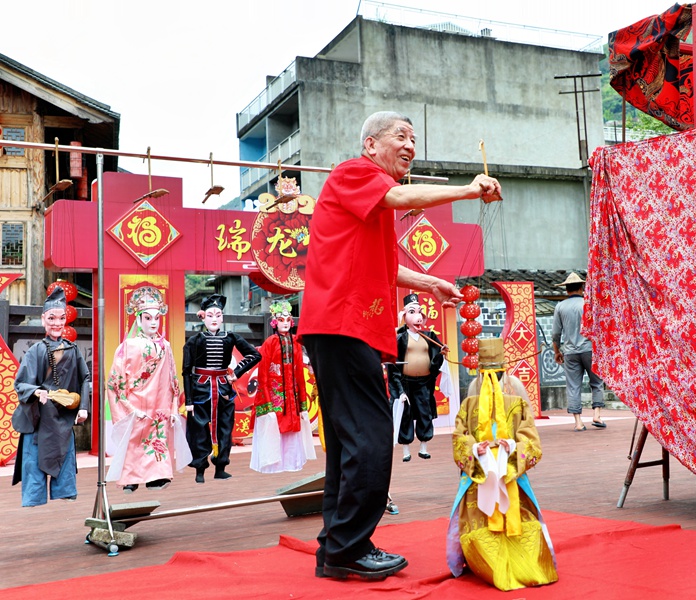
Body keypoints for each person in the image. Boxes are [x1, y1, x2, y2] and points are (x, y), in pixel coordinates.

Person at [298, 110, 501, 581]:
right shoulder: (356, 174)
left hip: (343, 328)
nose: (410, 145)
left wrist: (428, 282)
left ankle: (336, 548)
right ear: (371, 144)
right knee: (370, 438)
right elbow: (401, 195)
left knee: (350, 441)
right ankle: (349, 546)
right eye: (401, 136)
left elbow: (378, 267)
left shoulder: (370, 203)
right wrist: (468, 190)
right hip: (344, 326)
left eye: (414, 138)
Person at [447, 337, 558, 591]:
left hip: (509, 475)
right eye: (488, 375)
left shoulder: (515, 403)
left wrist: (512, 448)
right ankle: (489, 563)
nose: (492, 381)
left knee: (518, 520)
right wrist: (476, 449)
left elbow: (531, 442)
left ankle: (520, 564)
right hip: (480, 477)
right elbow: (460, 440)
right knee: (479, 522)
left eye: (494, 375)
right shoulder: (469, 405)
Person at [12, 287, 91, 507]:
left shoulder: (72, 350)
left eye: (61, 318)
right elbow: (21, 383)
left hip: (63, 416)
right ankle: (34, 496)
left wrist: (83, 407)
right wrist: (37, 391)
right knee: (34, 459)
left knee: (63, 456)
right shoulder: (36, 350)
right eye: (52, 318)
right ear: (43, 320)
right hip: (39, 417)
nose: (57, 323)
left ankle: (65, 490)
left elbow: (85, 378)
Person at [106, 286, 187, 492]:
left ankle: (157, 477)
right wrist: (127, 407)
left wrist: (174, 407)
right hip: (135, 403)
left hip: (160, 402)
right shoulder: (128, 346)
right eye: (148, 318)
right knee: (134, 440)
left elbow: (172, 379)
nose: (153, 323)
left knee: (159, 438)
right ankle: (131, 479)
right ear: (139, 319)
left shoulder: (165, 346)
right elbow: (115, 382)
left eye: (156, 318)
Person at [183, 294, 261, 483]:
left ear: (223, 318)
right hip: (201, 390)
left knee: (225, 429)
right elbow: (186, 371)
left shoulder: (231, 337)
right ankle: (199, 469)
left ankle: (221, 466)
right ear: (203, 317)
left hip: (224, 390)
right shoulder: (194, 341)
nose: (214, 319)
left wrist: (236, 372)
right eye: (210, 315)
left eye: (218, 315)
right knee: (199, 430)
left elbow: (254, 355)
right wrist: (189, 401)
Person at [250, 300, 315, 473]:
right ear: (274, 322)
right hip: (274, 391)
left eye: (287, 319)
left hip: (291, 392)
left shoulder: (296, 342)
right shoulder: (269, 343)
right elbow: (262, 372)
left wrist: (302, 401)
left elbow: (300, 373)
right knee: (274, 426)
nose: (285, 323)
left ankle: (292, 463)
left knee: (292, 428)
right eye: (281, 320)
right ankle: (273, 464)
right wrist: (267, 401)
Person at [389, 292, 446, 462]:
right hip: (405, 381)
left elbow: (436, 361)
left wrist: (441, 354)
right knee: (405, 412)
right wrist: (399, 390)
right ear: (404, 316)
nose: (418, 317)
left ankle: (423, 446)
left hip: (423, 382)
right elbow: (392, 361)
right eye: (412, 312)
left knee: (424, 412)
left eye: (420, 312)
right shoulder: (400, 336)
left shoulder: (429, 337)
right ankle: (406, 449)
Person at [551, 272, 607, 431]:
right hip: (590, 349)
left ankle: (578, 422)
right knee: (596, 382)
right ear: (582, 288)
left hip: (570, 352)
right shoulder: (589, 304)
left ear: (567, 289)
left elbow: (556, 333)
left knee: (573, 385)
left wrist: (557, 352)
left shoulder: (560, 307)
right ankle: (596, 415)